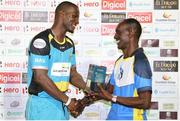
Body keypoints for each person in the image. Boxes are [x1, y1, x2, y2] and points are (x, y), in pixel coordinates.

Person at [25, 1, 91, 120]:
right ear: (62, 14)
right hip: (42, 107)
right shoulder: (42, 41)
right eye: (74, 16)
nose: (77, 21)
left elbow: (72, 74)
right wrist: (68, 101)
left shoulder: (70, 44)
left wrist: (88, 89)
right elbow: (40, 77)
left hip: (61, 105)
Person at [97, 18, 152, 120]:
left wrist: (113, 98)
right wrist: (94, 90)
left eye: (118, 33)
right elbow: (109, 91)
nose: (115, 37)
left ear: (131, 33)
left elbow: (145, 102)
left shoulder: (140, 62)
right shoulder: (119, 61)